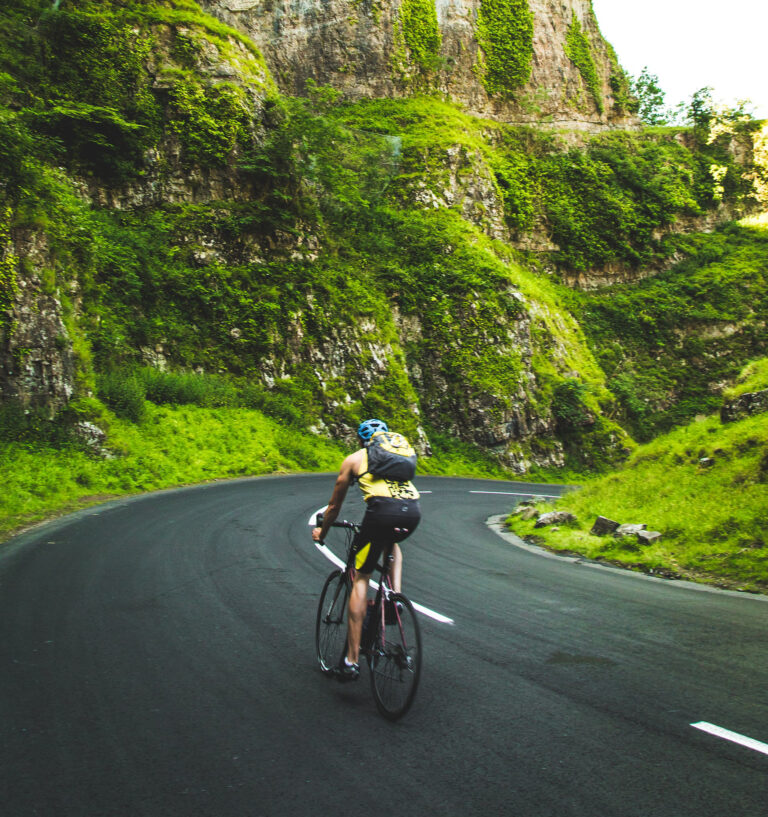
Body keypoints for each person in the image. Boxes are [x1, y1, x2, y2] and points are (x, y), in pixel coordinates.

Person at [312, 418, 421, 682]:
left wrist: (322, 533)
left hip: (382, 513)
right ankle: (394, 597)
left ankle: (350, 661)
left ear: (361, 441)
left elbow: (334, 507)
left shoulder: (354, 459)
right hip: (412, 513)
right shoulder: (397, 459)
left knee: (361, 576)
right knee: (390, 542)